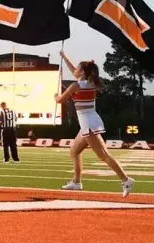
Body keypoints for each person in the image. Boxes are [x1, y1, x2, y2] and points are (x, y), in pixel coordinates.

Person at [56, 52, 133, 197]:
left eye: (77, 69)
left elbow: (60, 100)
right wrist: (65, 57)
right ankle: (76, 182)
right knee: (74, 152)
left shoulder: (75, 85)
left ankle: (126, 180)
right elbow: (75, 71)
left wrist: (55, 96)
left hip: (89, 125)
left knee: (104, 155)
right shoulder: (90, 83)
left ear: (82, 72)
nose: (75, 71)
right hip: (89, 122)